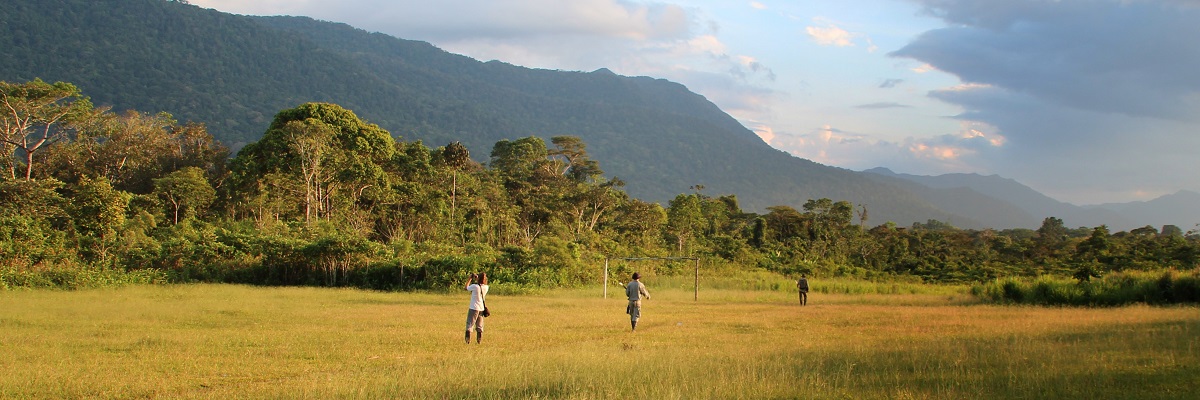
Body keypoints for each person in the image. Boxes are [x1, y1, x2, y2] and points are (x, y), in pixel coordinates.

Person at [464, 272, 489, 344]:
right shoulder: (486, 287)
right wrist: (478, 278)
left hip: (473, 308)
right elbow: (481, 284)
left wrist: (470, 278)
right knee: (479, 326)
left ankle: (467, 341)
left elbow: (466, 288)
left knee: (469, 324)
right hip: (481, 308)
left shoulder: (475, 286)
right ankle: (479, 341)